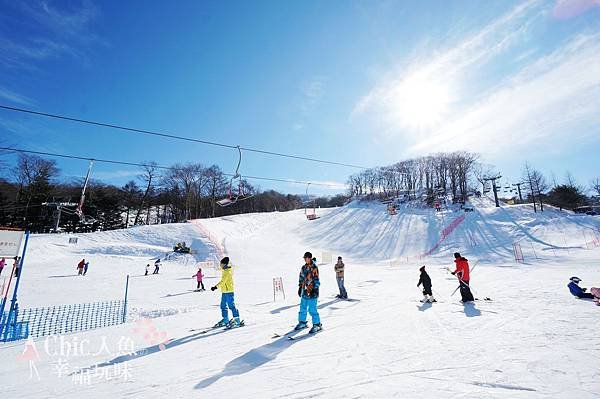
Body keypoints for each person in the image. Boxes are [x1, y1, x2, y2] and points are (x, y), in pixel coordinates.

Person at [211, 257, 241, 328]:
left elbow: (223, 281)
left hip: (229, 291)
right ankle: (225, 319)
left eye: (221, 264)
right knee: (223, 306)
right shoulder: (224, 270)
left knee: (231, 306)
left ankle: (237, 319)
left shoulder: (227, 271)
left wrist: (215, 287)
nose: (220, 265)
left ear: (224, 264)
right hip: (224, 291)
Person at [295, 252, 322, 333]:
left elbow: (317, 280)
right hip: (305, 290)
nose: (305, 259)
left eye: (306, 258)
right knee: (302, 307)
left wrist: (314, 288)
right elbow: (301, 277)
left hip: (313, 291)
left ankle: (317, 324)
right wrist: (300, 287)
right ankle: (302, 322)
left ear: (309, 258)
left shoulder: (314, 268)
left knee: (312, 309)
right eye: (304, 258)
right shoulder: (303, 267)